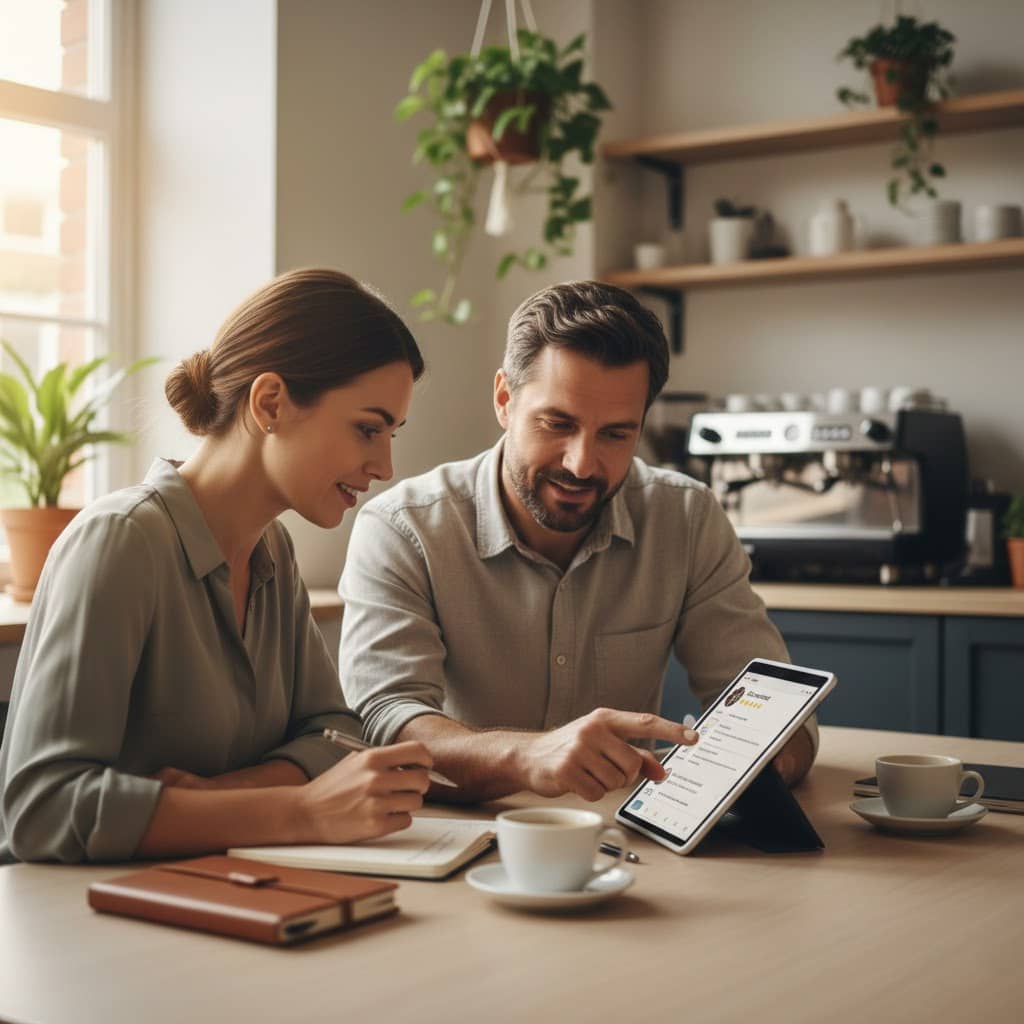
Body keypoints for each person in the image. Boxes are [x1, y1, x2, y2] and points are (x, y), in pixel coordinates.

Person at [0, 268, 434, 863]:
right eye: (367, 429)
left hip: (225, 891)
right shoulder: (120, 541)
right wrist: (299, 811)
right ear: (271, 403)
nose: (385, 465)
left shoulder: (272, 550)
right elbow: (43, 809)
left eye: (391, 434)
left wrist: (222, 797)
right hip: (90, 920)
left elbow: (334, 733)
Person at [338, 280, 816, 804]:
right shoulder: (403, 529)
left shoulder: (686, 518)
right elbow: (384, 723)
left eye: (615, 434)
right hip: (458, 838)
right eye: (557, 423)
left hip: (628, 844)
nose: (582, 463)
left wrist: (768, 756)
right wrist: (529, 756)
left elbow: (778, 710)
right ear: (504, 399)